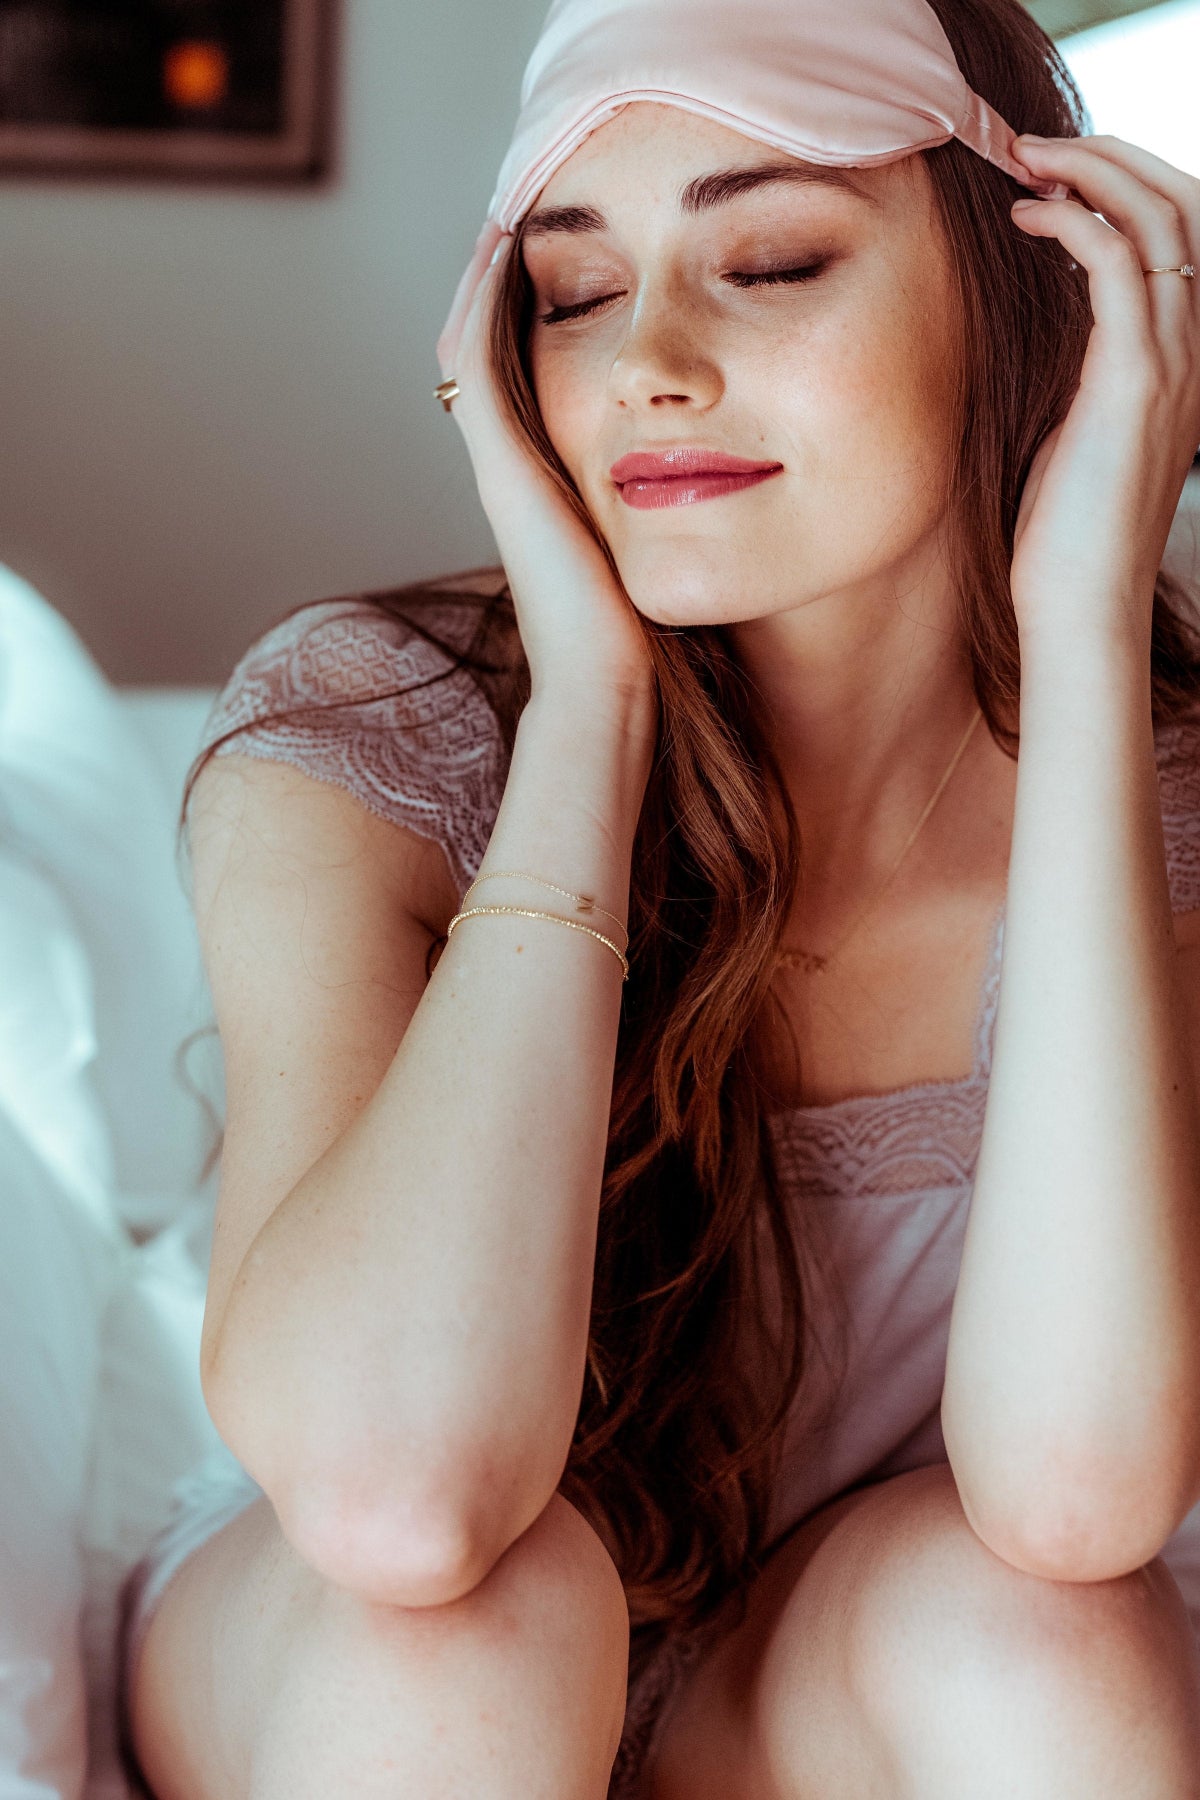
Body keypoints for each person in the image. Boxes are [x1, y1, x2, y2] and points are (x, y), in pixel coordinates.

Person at [116, 0, 1200, 1791]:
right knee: (473, 1641)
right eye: (573, 292)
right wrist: (591, 714)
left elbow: (1075, 1500)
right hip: (346, 1635)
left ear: (1031, 299)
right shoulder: (364, 739)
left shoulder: (1157, 802)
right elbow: (403, 1501)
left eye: (768, 261)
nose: (651, 365)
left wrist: (1084, 634)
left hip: (818, 1670)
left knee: (1056, 1653)